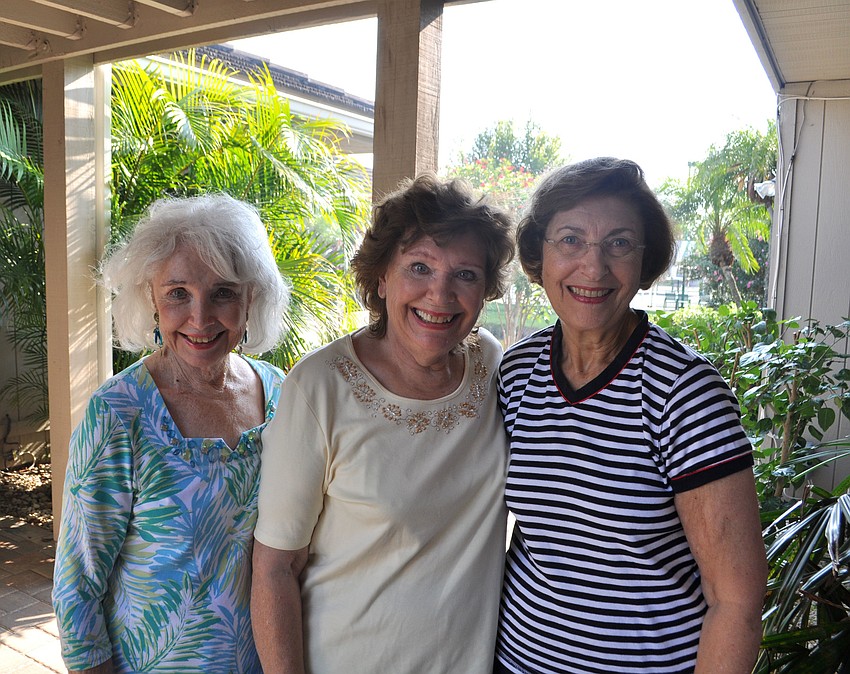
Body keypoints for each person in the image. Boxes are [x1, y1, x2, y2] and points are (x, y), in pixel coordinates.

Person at [494, 157, 768, 674]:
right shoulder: (518, 371)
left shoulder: (685, 393)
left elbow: (736, 600)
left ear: (644, 263)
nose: (593, 268)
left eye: (619, 243)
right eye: (570, 240)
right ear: (539, 254)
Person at [251, 173, 515, 674]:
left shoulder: (492, 367)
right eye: (419, 267)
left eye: (466, 275)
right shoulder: (319, 388)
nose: (440, 293)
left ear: (485, 291)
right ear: (381, 277)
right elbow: (275, 568)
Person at [52, 194, 290, 674]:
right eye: (178, 292)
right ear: (150, 298)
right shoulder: (119, 413)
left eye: (223, 292)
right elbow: (77, 587)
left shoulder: (282, 394)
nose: (200, 318)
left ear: (252, 299)